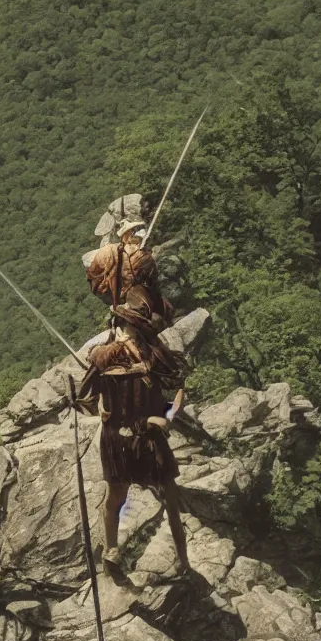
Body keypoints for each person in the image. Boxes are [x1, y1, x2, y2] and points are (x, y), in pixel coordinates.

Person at [74, 293, 191, 580]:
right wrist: (106, 407)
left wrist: (167, 416)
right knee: (118, 494)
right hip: (121, 437)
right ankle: (112, 551)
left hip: (148, 436)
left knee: (169, 497)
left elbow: (178, 388)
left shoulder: (155, 354)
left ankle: (183, 562)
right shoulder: (105, 356)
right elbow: (85, 399)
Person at [85, 218, 174, 331]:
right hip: (132, 295)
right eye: (133, 231)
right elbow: (150, 280)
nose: (135, 233)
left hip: (116, 296)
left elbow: (93, 278)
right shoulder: (139, 255)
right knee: (163, 310)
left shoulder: (110, 251)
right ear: (127, 234)